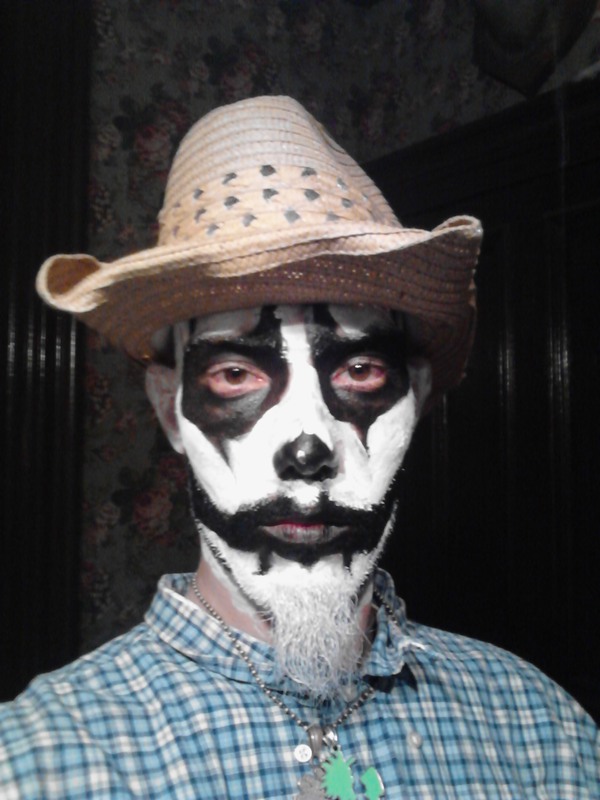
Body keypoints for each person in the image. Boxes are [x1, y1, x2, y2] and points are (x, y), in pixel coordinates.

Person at [1, 96, 597, 799]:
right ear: (169, 409)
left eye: (360, 369)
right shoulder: (39, 763)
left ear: (416, 396)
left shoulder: (541, 733)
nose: (308, 451)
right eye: (235, 374)